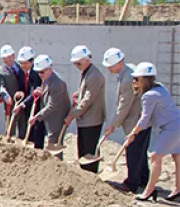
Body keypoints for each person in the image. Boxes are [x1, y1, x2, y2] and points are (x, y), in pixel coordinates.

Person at [127, 62, 180, 202]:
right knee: (177, 157)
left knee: (155, 157)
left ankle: (149, 191)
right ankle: (178, 189)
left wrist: (133, 133)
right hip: (177, 123)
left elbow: (145, 120)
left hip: (171, 128)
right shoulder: (160, 87)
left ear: (144, 79)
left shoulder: (148, 96)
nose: (133, 81)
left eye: (136, 79)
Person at [102, 48, 149, 193]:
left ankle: (132, 183)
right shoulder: (130, 71)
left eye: (110, 66)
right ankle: (143, 179)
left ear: (118, 64)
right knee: (140, 150)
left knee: (133, 152)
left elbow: (125, 105)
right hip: (142, 119)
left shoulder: (128, 78)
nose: (108, 68)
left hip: (136, 121)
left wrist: (113, 124)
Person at [65, 45, 106, 173]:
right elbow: (86, 92)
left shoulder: (94, 75)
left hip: (92, 119)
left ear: (86, 60)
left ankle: (91, 174)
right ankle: (85, 174)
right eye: (75, 64)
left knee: (89, 150)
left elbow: (88, 99)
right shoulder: (87, 72)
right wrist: (78, 93)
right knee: (82, 149)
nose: (77, 66)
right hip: (85, 119)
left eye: (78, 63)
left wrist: (73, 114)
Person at [29, 55, 70, 160]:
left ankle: (57, 168)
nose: (40, 74)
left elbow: (52, 105)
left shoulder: (56, 83)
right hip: (50, 116)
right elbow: (47, 90)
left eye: (42, 72)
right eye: (38, 72)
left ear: (49, 69)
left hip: (57, 118)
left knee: (54, 144)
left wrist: (36, 116)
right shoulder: (47, 78)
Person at [13, 46, 45, 148]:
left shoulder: (36, 73)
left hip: (37, 107)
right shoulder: (22, 72)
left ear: (31, 62)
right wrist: (20, 93)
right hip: (27, 107)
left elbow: (33, 92)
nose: (23, 66)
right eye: (21, 63)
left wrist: (22, 105)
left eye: (25, 63)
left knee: (36, 132)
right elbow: (23, 88)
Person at [0, 45, 23, 137]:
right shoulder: (0, 71)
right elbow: (1, 86)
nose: (7, 60)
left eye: (9, 57)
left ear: (13, 56)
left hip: (24, 101)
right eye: (4, 58)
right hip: (11, 103)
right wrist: (5, 96)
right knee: (11, 125)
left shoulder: (21, 67)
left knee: (24, 124)